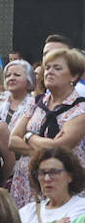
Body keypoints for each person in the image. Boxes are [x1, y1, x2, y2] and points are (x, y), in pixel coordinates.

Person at [8, 47, 85, 205]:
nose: (49, 72)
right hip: (26, 185)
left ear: (74, 75)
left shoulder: (80, 110)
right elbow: (12, 141)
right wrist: (46, 148)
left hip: (61, 185)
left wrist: (29, 136)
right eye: (47, 67)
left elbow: (59, 148)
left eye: (57, 68)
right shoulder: (36, 102)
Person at [18, 146, 85, 223]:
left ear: (70, 176)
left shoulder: (80, 206)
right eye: (42, 173)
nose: (47, 178)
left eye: (54, 172)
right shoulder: (28, 210)